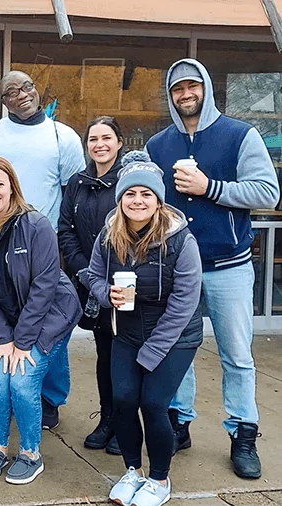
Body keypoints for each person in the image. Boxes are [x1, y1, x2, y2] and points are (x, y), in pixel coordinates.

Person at [145, 58, 279, 479]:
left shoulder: (240, 135)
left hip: (229, 266)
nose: (186, 94)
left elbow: (268, 192)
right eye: (177, 89)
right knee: (176, 351)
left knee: (236, 355)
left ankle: (243, 432)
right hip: (177, 269)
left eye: (192, 86)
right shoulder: (159, 145)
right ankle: (179, 422)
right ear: (170, 95)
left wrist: (210, 188)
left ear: (205, 87)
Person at [0, 71, 86, 428]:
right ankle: (7, 392)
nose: (22, 95)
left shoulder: (62, 136)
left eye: (27, 87)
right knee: (1, 315)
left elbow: (73, 195)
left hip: (42, 245)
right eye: (11, 92)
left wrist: (64, 244)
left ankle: (49, 398)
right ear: (3, 101)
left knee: (48, 328)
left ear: (37, 90)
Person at [82, 151, 203, 506]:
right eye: (130, 194)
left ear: (158, 200)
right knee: (122, 400)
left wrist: (151, 352)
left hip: (175, 335)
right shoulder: (109, 234)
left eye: (146, 194)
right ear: (121, 199)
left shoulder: (181, 240)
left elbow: (185, 302)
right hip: (128, 330)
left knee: (152, 403)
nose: (137, 200)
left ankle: (159, 479)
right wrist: (107, 294)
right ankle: (132, 471)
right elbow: (91, 275)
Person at [0, 155, 81, 485]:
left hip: (48, 317)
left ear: (12, 188)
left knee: (22, 379)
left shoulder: (36, 226)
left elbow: (43, 288)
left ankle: (31, 453)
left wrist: (23, 341)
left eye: (0, 184)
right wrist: (3, 338)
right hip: (2, 322)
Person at [58, 116, 125, 454]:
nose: (99, 144)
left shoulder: (129, 181)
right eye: (93, 139)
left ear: (119, 142)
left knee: (126, 354)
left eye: (106, 138)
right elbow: (66, 230)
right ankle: (108, 419)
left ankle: (128, 424)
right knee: (104, 353)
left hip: (127, 284)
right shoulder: (78, 183)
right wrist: (85, 271)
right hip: (91, 282)